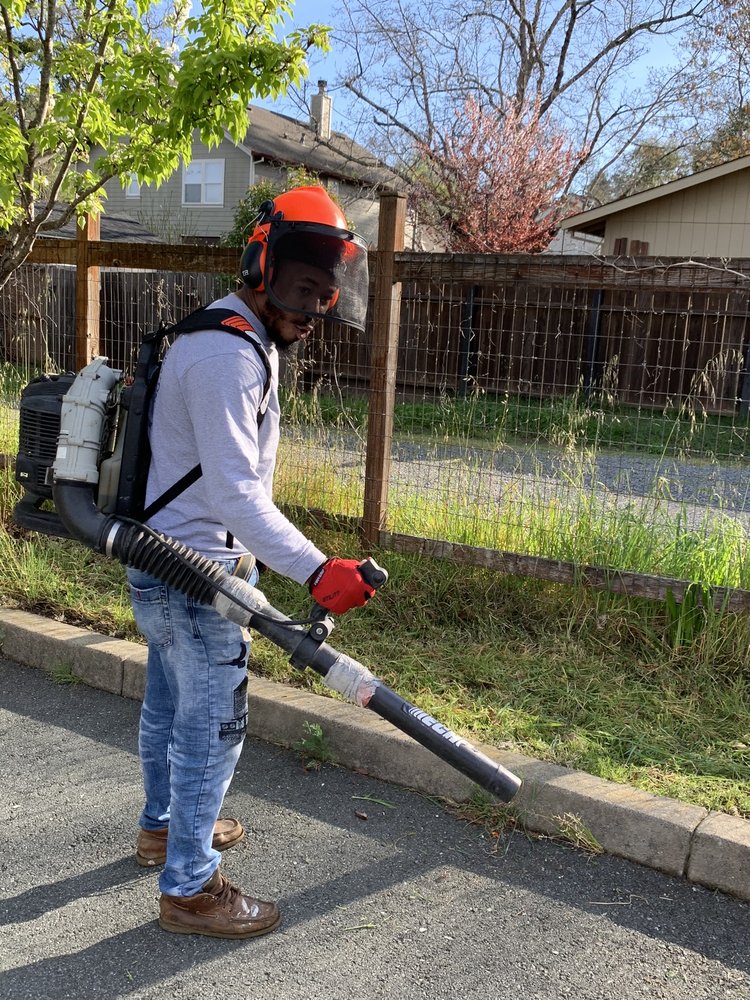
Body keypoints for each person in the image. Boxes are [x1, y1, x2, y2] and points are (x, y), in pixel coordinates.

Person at [126, 185, 380, 939]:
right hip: (196, 575)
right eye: (304, 291)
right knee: (213, 727)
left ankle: (164, 831)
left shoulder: (236, 337)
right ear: (261, 265)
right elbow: (237, 495)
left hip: (174, 564)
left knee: (171, 708)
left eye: (326, 297)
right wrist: (316, 569)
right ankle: (192, 889)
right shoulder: (227, 356)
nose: (314, 311)